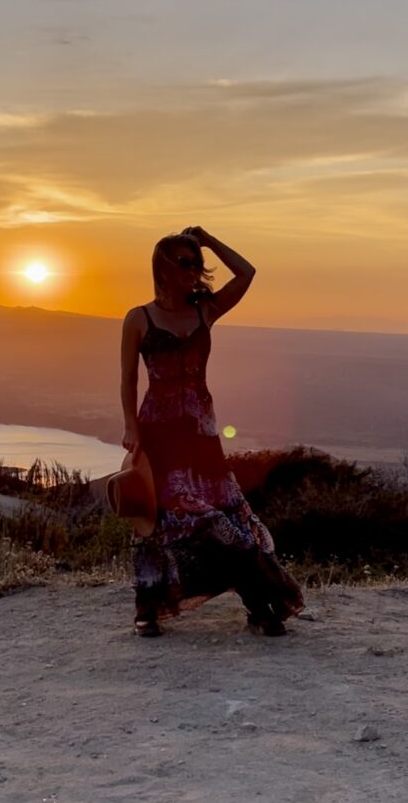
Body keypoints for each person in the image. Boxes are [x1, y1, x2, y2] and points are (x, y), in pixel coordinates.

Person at [119, 226, 304, 637]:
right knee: (162, 520)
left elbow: (247, 272)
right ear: (162, 269)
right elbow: (128, 378)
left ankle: (261, 605)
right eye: (184, 262)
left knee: (229, 523)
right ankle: (148, 608)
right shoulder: (139, 318)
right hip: (159, 432)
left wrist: (208, 240)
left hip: (202, 435)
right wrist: (131, 428)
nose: (194, 269)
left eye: (196, 262)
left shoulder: (206, 310)